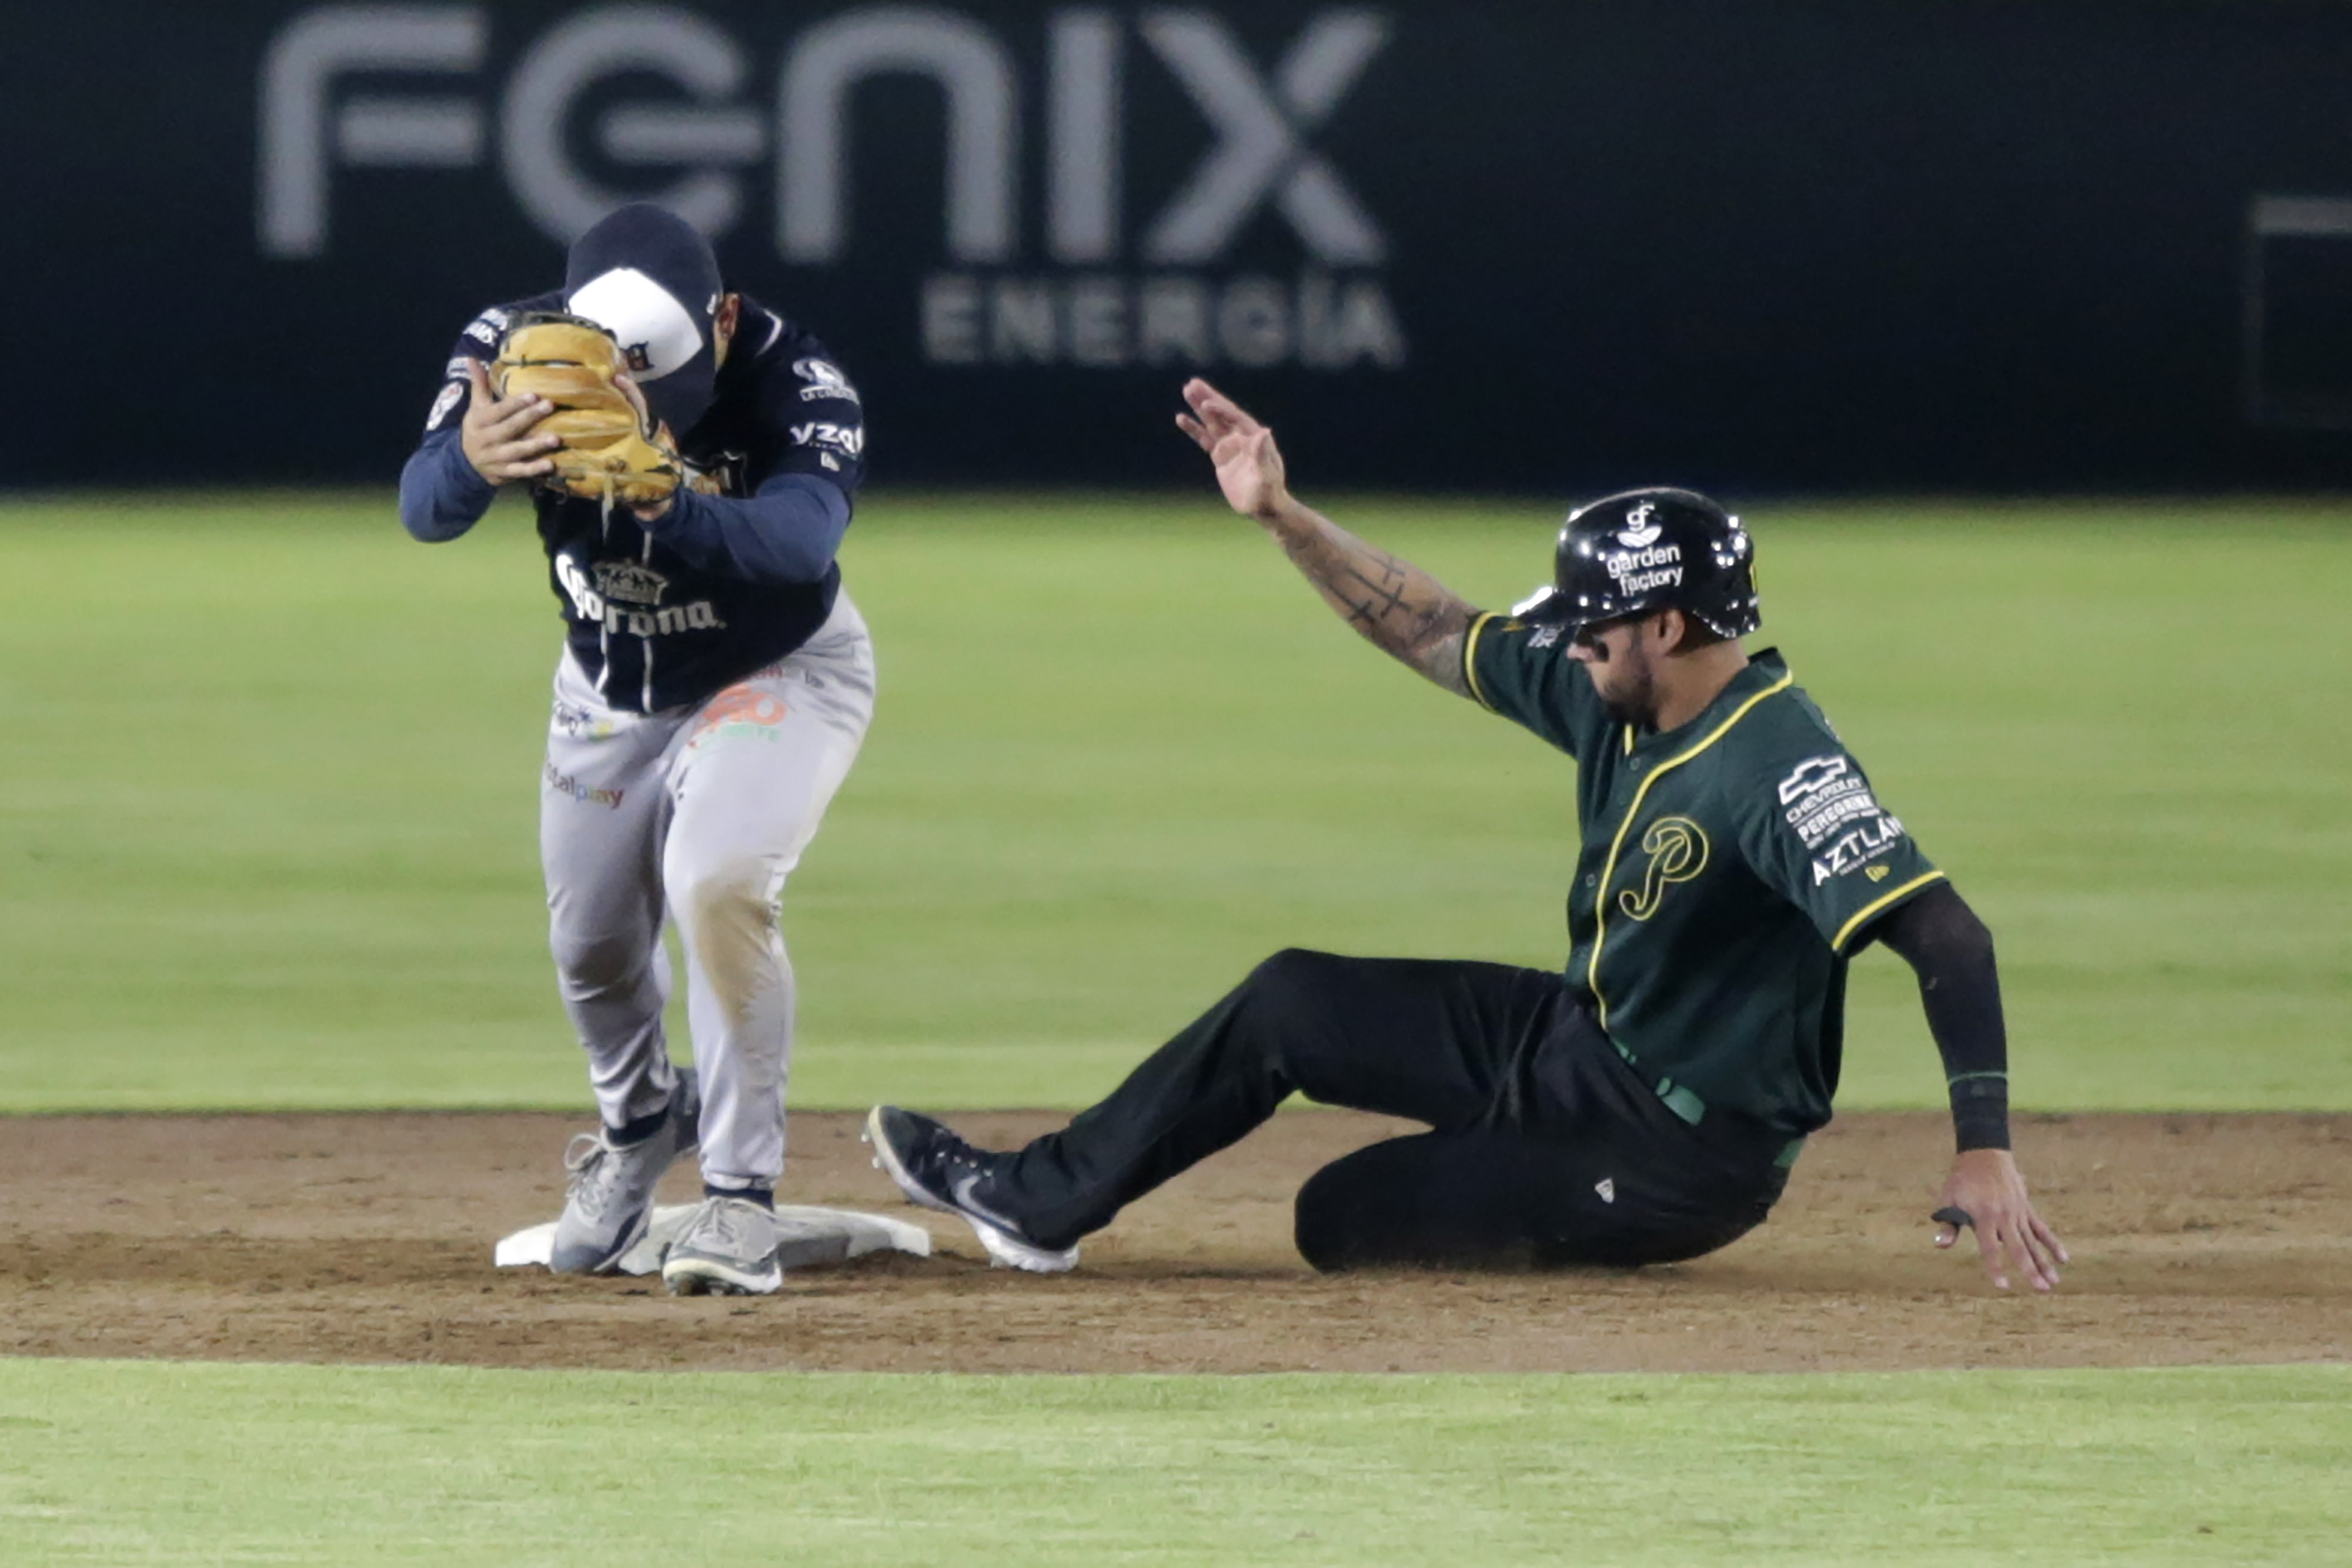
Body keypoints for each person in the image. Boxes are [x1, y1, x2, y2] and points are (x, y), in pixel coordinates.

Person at [867, 377, 2067, 1292]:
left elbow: (1947, 936)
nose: (1574, 645)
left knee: (1340, 1216)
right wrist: (1282, 517)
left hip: (1679, 1154)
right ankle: (1036, 1202)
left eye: (1594, 626)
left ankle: (1514, 1169)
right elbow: (1436, 627)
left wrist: (1984, 1147)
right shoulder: (1623, 689)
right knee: (1290, 998)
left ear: (1663, 622)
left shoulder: (1772, 761)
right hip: (1579, 1041)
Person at [399, 203, 876, 1296]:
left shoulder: (796, 378)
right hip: (609, 685)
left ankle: (738, 1200)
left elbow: (802, 543)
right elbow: (423, 510)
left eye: (664, 380)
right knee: (592, 949)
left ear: (722, 320)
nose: (642, 407)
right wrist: (469, 459)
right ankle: (639, 1128)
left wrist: (672, 499)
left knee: (717, 884)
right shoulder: (515, 350)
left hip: (777, 672)